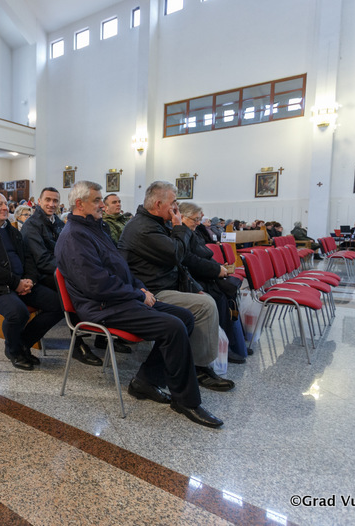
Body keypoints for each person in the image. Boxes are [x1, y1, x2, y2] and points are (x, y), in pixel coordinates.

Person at [54, 181, 223, 428]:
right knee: (173, 327)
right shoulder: (74, 237)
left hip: (119, 298)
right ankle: (186, 401)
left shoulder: (95, 228)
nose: (102, 205)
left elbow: (120, 267)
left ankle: (145, 381)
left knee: (185, 317)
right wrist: (136, 294)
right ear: (79, 204)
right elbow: (96, 285)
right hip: (101, 306)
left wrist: (140, 287)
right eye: (97, 200)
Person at [119, 181, 234, 392]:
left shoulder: (156, 223)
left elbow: (181, 262)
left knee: (208, 295)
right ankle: (198, 367)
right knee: (205, 305)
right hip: (151, 291)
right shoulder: (143, 228)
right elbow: (176, 254)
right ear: (159, 204)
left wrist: (193, 286)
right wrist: (180, 227)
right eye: (173, 203)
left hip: (165, 284)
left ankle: (197, 362)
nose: (176, 208)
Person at [0, 192, 63, 371]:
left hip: (20, 282)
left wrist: (30, 280)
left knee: (58, 304)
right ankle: (14, 350)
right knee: (18, 313)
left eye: (5, 204)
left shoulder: (12, 231)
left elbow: (28, 259)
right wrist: (15, 282)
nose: (5, 208)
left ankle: (23, 343)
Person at [21, 187, 100, 365]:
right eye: (47, 200)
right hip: (40, 275)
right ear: (39, 201)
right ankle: (78, 344)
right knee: (74, 291)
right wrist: (71, 271)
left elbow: (70, 248)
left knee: (91, 282)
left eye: (55, 200)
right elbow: (42, 260)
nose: (51, 204)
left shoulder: (57, 222)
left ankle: (100, 336)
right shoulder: (31, 226)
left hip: (58, 271)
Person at [179, 202, 246, 363]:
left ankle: (235, 342)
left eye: (198, 219)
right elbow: (189, 260)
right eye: (195, 219)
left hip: (203, 272)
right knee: (219, 297)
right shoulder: (180, 234)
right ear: (182, 217)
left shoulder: (191, 232)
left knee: (229, 292)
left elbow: (204, 255)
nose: (198, 223)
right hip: (192, 277)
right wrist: (216, 270)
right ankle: (223, 347)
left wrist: (219, 267)